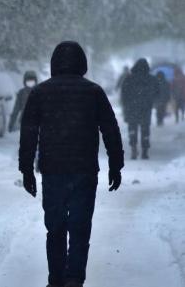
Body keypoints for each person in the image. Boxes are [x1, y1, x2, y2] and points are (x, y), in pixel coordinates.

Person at [19, 41, 124, 287]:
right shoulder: (94, 92)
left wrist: (26, 170)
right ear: (82, 64)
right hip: (84, 170)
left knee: (55, 227)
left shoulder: (40, 93)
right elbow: (110, 129)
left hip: (53, 170)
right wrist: (115, 164)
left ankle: (55, 278)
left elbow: (29, 133)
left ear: (54, 64)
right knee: (80, 227)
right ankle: (75, 278)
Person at [120, 58, 159, 159]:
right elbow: (157, 91)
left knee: (132, 128)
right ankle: (145, 151)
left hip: (131, 108)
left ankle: (133, 148)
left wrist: (125, 105)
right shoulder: (151, 79)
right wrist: (151, 101)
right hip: (145, 108)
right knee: (145, 130)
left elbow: (123, 93)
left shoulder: (129, 78)